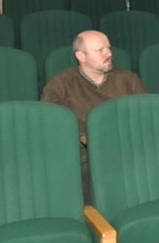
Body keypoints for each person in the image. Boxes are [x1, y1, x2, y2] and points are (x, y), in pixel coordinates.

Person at [41, 30, 148, 201]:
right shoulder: (60, 85)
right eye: (100, 50)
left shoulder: (129, 80)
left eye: (109, 48)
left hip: (128, 147)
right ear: (81, 56)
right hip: (85, 153)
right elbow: (51, 128)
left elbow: (147, 118)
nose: (109, 54)